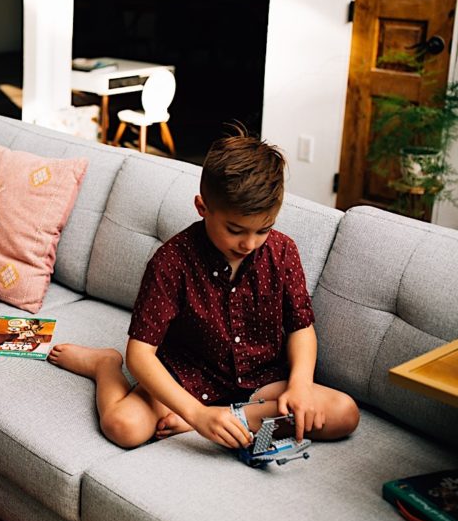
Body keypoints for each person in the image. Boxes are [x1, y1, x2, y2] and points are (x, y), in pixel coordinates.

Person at [48, 127, 360, 451]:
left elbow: (301, 328)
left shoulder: (283, 252)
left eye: (263, 230)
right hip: (190, 376)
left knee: (343, 413)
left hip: (263, 381)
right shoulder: (171, 261)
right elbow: (140, 355)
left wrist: (300, 386)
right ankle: (104, 366)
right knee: (122, 427)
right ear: (202, 207)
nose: (249, 243)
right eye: (235, 230)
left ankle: (227, 416)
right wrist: (196, 414)